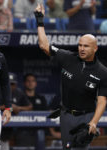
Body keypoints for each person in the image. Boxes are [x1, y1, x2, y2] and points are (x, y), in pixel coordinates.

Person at [34, 4, 107, 150]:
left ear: (95, 48)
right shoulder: (68, 58)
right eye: (80, 45)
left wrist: (93, 122)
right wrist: (40, 21)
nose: (81, 48)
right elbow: (44, 45)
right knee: (66, 148)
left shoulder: (102, 71)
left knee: (80, 147)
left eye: (86, 46)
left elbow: (102, 100)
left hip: (86, 116)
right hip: (66, 115)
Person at [0, 72, 32, 150]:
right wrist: (9, 107)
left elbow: (30, 107)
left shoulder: (18, 92)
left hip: (8, 130)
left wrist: (19, 108)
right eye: (8, 83)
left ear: (16, 84)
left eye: (12, 84)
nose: (10, 86)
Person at [14, 73, 48, 146]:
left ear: (36, 83)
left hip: (38, 130)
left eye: (33, 81)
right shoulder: (19, 98)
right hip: (23, 130)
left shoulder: (41, 98)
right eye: (28, 81)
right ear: (24, 83)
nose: (30, 83)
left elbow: (47, 115)